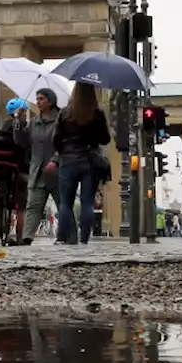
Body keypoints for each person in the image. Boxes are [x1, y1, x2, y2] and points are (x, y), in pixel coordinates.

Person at [52, 82, 111, 245]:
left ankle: (61, 238)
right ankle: (84, 239)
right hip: (89, 161)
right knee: (87, 203)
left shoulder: (65, 113)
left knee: (66, 203)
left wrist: (64, 152)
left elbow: (56, 138)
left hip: (68, 161)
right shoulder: (97, 114)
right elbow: (105, 139)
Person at [16, 88, 63, 245]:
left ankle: (66, 237)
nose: (38, 102)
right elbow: (21, 142)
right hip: (37, 172)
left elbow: (63, 143)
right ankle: (27, 238)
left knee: (63, 206)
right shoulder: (33, 123)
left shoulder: (60, 121)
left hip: (57, 172)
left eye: (42, 99)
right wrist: (19, 122)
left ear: (50, 102)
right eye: (37, 99)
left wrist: (55, 160)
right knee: (33, 206)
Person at [0, 98, 31, 242]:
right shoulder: (24, 127)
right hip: (21, 170)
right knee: (22, 207)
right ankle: (20, 237)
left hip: (1, 170)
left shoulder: (1, 129)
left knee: (2, 198)